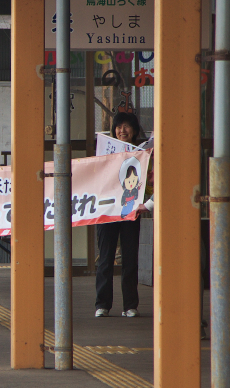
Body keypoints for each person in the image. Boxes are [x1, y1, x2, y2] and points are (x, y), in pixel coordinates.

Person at [95, 112, 144, 318]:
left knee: (130, 257)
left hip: (131, 209)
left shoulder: (143, 152)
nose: (122, 130)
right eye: (118, 127)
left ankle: (130, 305)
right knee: (105, 258)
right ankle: (102, 304)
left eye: (126, 126)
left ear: (134, 130)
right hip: (106, 209)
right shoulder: (106, 150)